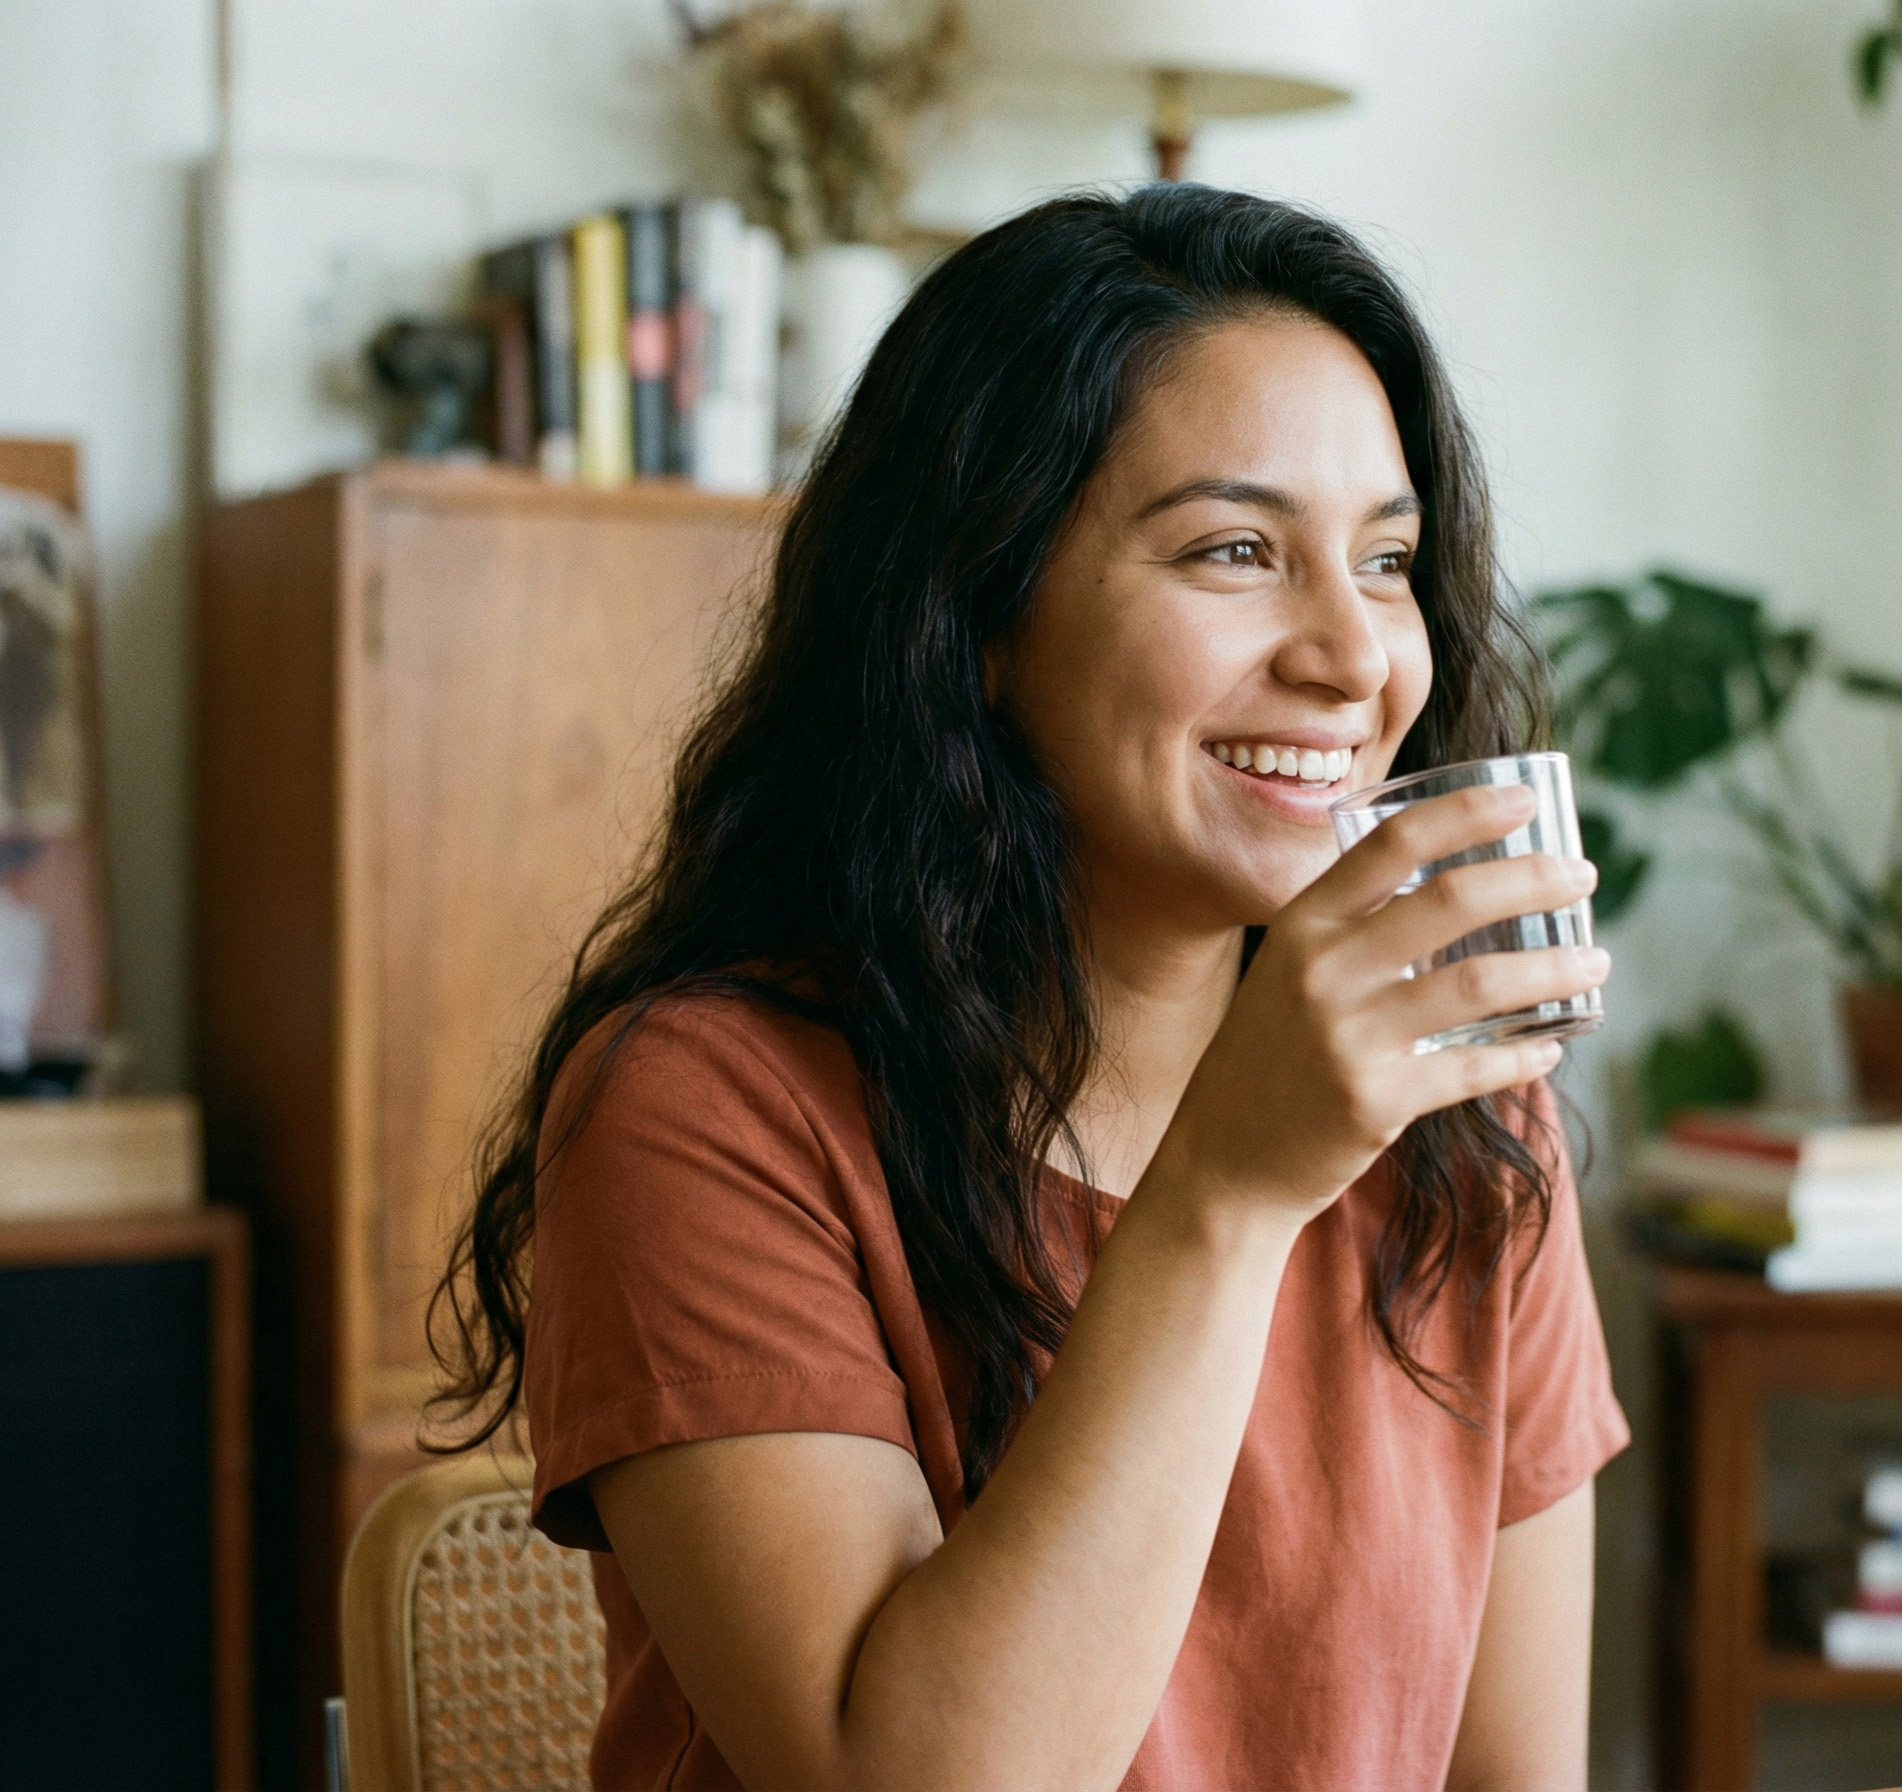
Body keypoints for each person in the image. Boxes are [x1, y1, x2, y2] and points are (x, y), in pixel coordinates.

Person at [433, 183, 1628, 1792]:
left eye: (1389, 559)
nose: (1355, 658)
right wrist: (1229, 1194)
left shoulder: (1467, 1117)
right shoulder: (704, 1109)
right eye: (1235, 551)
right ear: (978, 613)